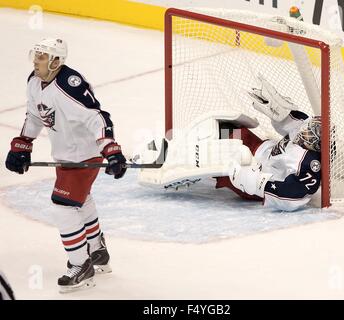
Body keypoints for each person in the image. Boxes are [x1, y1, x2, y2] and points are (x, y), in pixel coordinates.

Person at [5, 38, 127, 292]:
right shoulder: (34, 81)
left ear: (56, 61)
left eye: (42, 57)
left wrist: (111, 150)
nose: (36, 61)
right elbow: (35, 114)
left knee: (63, 206)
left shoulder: (69, 86)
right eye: (36, 55)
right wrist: (23, 144)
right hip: (66, 154)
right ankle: (97, 251)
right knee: (80, 202)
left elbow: (98, 118)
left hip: (85, 155)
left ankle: (80, 264)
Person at [138, 75, 321, 212]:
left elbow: (293, 196)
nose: (304, 131)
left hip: (254, 172)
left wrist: (257, 182)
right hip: (260, 151)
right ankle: (177, 149)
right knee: (226, 129)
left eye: (309, 133)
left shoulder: (310, 166)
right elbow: (291, 120)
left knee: (219, 156)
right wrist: (280, 112)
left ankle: (176, 167)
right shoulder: (308, 130)